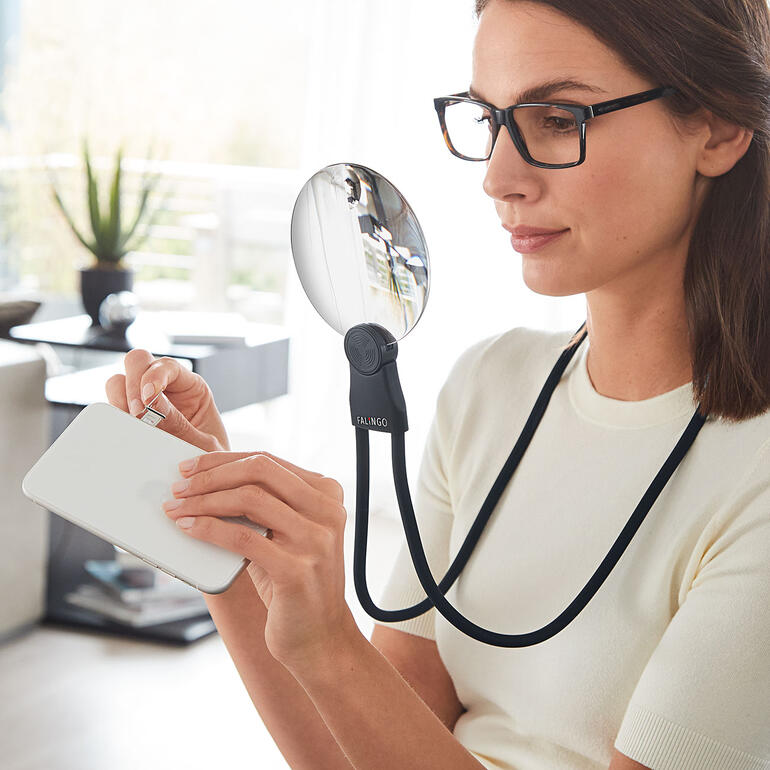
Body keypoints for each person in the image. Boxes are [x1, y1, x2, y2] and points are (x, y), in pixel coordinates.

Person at [107, 0, 770, 767]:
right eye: (488, 119)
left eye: (558, 117)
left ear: (719, 128)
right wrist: (225, 541)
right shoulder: (493, 385)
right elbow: (356, 750)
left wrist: (330, 641)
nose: (499, 177)